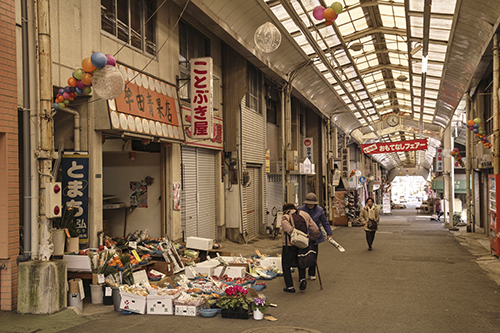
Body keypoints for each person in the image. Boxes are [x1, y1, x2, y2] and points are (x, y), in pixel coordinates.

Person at [281, 203, 320, 293]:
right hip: (303, 243)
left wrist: (296, 235)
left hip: (289, 244)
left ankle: (290, 286)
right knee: (301, 261)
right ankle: (302, 279)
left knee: (286, 265)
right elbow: (315, 229)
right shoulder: (305, 214)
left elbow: (289, 230)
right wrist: (312, 238)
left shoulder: (285, 217)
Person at [299, 192, 332, 280]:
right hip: (303, 235)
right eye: (308, 203)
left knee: (313, 254)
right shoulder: (301, 210)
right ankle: (302, 274)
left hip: (315, 235)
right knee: (302, 254)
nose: (310, 205)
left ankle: (311, 273)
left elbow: (325, 222)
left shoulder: (320, 210)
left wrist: (329, 233)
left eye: (312, 204)